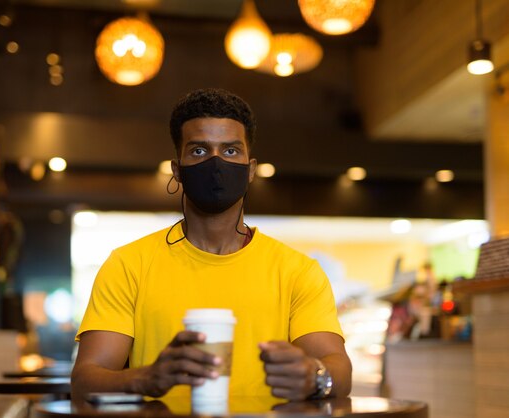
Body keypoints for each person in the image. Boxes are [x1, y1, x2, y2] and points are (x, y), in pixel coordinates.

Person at [72, 88, 352, 402]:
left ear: (251, 170)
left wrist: (314, 376)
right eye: (199, 151)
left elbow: (338, 367)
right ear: (177, 170)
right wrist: (146, 378)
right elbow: (85, 379)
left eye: (231, 151)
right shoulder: (129, 265)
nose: (216, 163)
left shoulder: (297, 271)